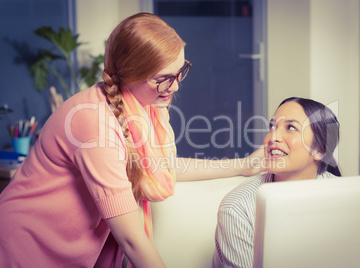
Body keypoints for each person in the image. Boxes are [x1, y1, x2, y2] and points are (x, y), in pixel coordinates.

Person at [0, 13, 267, 268]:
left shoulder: (140, 106)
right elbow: (132, 240)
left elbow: (163, 167)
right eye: (162, 79)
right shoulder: (94, 123)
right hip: (25, 247)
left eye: (180, 71)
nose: (174, 86)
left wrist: (244, 165)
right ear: (129, 74)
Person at [212, 97, 342, 268]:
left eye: (291, 128)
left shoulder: (341, 196)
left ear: (320, 150)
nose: (273, 137)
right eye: (272, 126)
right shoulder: (238, 208)